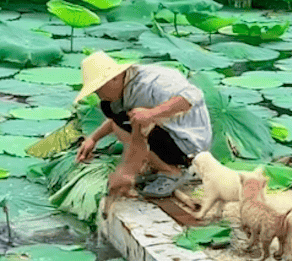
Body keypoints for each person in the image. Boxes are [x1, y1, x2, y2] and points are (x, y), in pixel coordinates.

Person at [74, 51, 212, 198]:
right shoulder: (125, 87)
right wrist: (93, 139)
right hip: (167, 131)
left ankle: (172, 172)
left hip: (188, 141)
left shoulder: (151, 83)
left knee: (139, 121)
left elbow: (192, 96)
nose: (99, 95)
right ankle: (157, 166)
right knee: (121, 117)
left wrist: (152, 113)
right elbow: (118, 122)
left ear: (114, 79)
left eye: (99, 90)